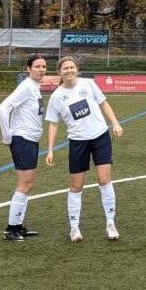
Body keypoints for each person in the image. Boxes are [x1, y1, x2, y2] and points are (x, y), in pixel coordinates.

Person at [45, 56, 123, 242]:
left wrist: (115, 123)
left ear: (77, 69)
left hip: (100, 138)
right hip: (78, 142)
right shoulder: (56, 97)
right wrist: (50, 150)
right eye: (65, 68)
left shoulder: (88, 84)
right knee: (76, 186)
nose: (69, 71)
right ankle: (74, 228)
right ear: (59, 72)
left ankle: (110, 224)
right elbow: (53, 124)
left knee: (104, 181)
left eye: (72, 67)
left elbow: (103, 103)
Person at [0, 54, 48, 241]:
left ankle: (18, 226)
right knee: (26, 184)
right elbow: (2, 108)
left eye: (44, 66)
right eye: (37, 66)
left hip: (31, 139)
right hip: (23, 139)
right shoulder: (26, 86)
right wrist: (7, 136)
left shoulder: (34, 87)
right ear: (28, 68)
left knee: (27, 184)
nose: (41, 69)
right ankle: (10, 229)